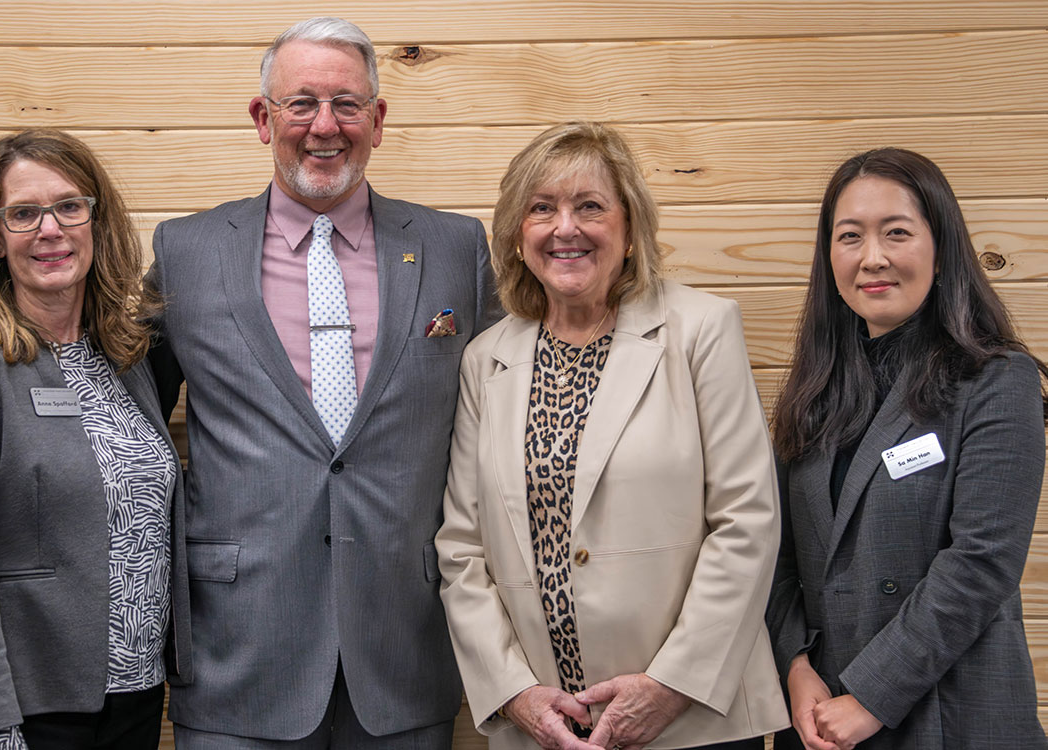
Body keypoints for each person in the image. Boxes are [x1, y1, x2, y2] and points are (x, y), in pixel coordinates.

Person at [145, 16, 498, 750]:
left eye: (346, 104)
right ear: (262, 118)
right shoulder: (187, 251)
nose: (323, 126)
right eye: (300, 103)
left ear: (377, 120)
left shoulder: (454, 248)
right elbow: (128, 417)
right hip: (237, 653)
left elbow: (503, 412)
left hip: (404, 645)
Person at [435, 121, 789, 750]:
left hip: (692, 719)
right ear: (519, 236)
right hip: (546, 728)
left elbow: (747, 521)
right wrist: (514, 693)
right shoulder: (484, 359)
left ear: (629, 231)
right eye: (541, 208)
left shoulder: (700, 330)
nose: (565, 227)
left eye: (590, 206)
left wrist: (669, 687)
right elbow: (461, 548)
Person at [0, 129, 192, 750]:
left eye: (68, 206)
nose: (50, 229)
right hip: (25, 714)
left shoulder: (127, 359)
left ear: (95, 221)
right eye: (23, 214)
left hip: (135, 701)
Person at [767, 147, 1048, 750]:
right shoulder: (813, 390)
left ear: (941, 250)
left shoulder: (998, 381)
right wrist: (794, 668)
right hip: (819, 716)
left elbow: (981, 563)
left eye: (897, 232)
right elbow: (777, 555)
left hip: (951, 715)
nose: (873, 258)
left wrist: (871, 696)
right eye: (850, 237)